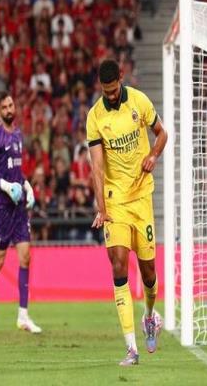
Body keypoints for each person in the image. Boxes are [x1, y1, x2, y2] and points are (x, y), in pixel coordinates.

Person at [86, 59, 167, 366]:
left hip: (142, 197)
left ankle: (150, 316)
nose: (110, 95)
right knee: (118, 264)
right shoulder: (95, 117)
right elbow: (97, 167)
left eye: (113, 89)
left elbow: (162, 133)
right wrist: (102, 208)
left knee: (149, 272)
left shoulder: (139, 101)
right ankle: (131, 348)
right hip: (116, 200)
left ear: (121, 78)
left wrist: (153, 155)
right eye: (105, 91)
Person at [0, 92, 41, 336]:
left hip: (19, 206)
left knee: (25, 257)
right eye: (5, 107)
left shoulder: (19, 135)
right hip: (2, 206)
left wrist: (27, 186)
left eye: (11, 105)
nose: (10, 109)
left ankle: (23, 315)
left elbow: (17, 171)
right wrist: (4, 186)